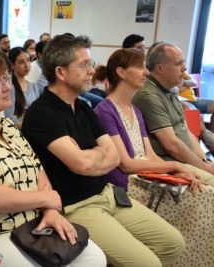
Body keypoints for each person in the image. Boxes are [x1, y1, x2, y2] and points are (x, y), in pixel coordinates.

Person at [0, 49, 107, 267]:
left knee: (95, 259)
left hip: (34, 224)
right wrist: (46, 200)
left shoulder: (7, 125)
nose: (8, 87)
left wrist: (51, 211)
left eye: (6, 78)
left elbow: (39, 174)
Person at [21, 34, 184, 267]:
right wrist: (97, 155)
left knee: (173, 243)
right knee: (149, 263)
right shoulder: (43, 113)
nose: (92, 70)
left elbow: (115, 157)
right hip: (76, 205)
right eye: (85, 64)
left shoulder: (85, 108)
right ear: (61, 72)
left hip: (108, 193)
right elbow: (84, 165)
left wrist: (91, 156)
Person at [94, 48, 214, 267]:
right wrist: (174, 166)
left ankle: (195, 261)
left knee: (202, 191)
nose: (146, 72)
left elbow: (149, 154)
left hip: (145, 173)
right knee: (203, 198)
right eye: (139, 67)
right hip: (126, 183)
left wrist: (178, 171)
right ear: (121, 72)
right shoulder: (104, 111)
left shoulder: (134, 111)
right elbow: (125, 164)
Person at [131, 43, 214, 185]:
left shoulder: (170, 91)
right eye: (178, 63)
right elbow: (172, 145)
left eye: (183, 62)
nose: (185, 68)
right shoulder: (149, 96)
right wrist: (205, 168)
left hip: (187, 161)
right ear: (160, 68)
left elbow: (186, 131)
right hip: (171, 164)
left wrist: (205, 161)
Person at [4, 47, 39, 130]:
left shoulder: (33, 86)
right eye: (21, 62)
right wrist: (30, 128)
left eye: (28, 60)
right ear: (12, 65)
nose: (27, 65)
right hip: (20, 131)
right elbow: (8, 118)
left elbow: (38, 111)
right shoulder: (10, 87)